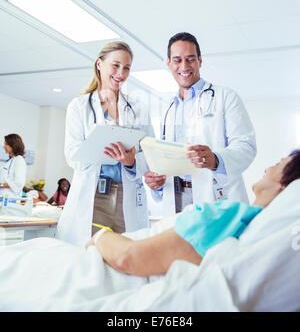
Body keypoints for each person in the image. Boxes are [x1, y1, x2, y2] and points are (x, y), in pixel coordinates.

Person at [86, 149, 300, 277]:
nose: (267, 169)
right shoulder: (249, 224)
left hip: (110, 255)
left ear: (286, 185)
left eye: (277, 164)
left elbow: (128, 258)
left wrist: (100, 237)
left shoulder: (230, 214)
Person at [144, 32, 257, 215]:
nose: (184, 66)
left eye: (190, 59)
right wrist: (156, 183)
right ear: (169, 63)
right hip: (176, 198)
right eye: (177, 60)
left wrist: (216, 159)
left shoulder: (225, 97)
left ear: (200, 61)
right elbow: (165, 157)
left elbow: (246, 146)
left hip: (214, 195)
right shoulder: (168, 108)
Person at [56, 41, 154, 247]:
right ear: (99, 64)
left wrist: (131, 162)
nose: (121, 73)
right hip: (93, 198)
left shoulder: (138, 108)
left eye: (126, 68)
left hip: (126, 197)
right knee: (90, 258)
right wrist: (102, 147)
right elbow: (72, 155)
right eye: (115, 65)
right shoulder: (79, 106)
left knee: (127, 259)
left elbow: (151, 154)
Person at [0, 134, 27, 198]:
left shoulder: (19, 160)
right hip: (4, 197)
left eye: (6, 144)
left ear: (13, 145)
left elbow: (18, 183)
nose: (4, 146)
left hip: (11, 198)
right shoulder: (10, 161)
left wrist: (1, 185)